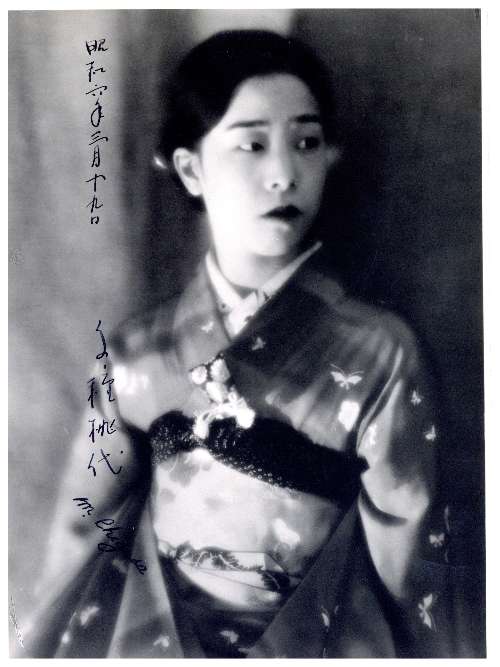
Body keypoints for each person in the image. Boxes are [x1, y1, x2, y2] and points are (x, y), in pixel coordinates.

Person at [22, 29, 468, 658]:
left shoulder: (379, 352)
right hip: (161, 640)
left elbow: (412, 564)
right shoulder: (137, 354)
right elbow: (79, 534)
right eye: (252, 145)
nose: (284, 174)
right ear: (191, 169)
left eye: (306, 143)